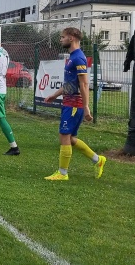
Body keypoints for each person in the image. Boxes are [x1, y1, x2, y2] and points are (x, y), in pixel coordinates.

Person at [43, 27, 106, 181]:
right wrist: (54, 95)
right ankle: (98, 160)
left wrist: (86, 106)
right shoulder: (72, 57)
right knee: (70, 139)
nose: (60, 39)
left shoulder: (78, 58)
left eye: (62, 37)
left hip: (74, 105)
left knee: (64, 135)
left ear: (71, 38)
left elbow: (84, 84)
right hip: (69, 103)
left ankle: (62, 173)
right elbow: (71, 84)